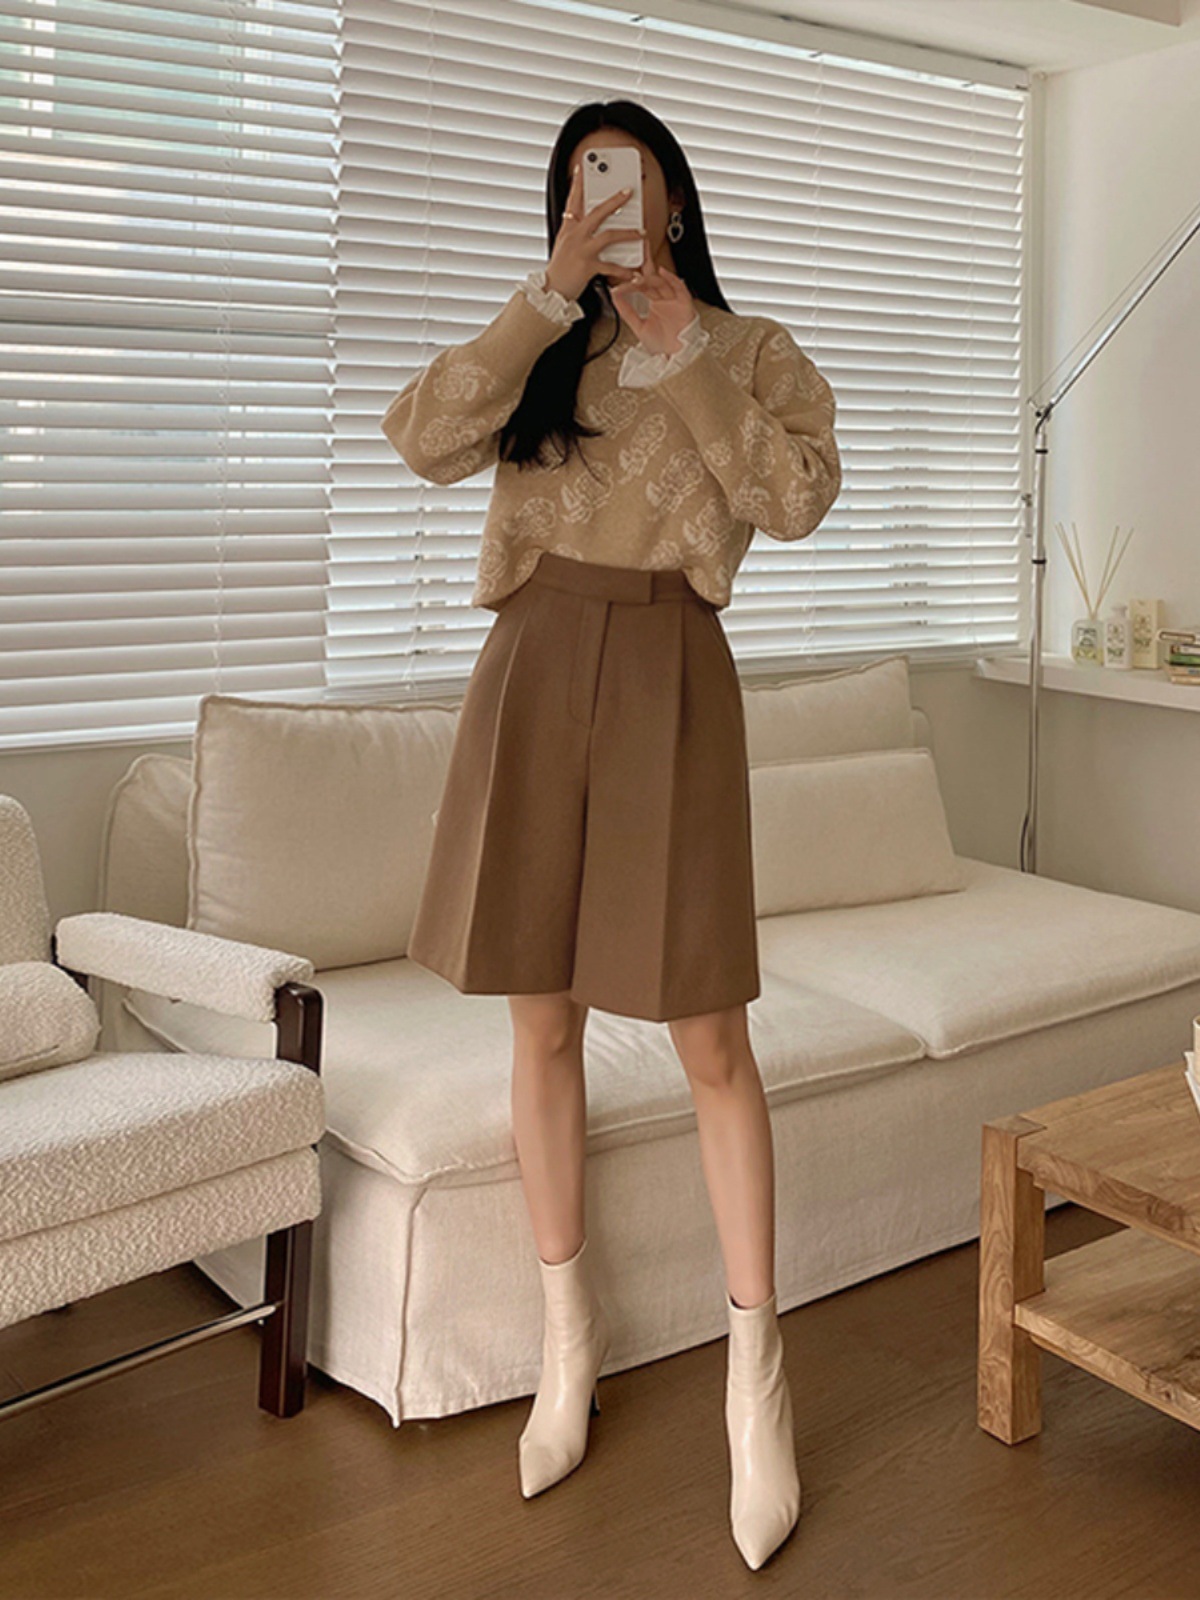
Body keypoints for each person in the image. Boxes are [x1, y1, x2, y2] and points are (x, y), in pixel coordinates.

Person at [381, 97, 840, 1572]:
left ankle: (755, 1386)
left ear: (674, 203)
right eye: (582, 193)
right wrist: (547, 294)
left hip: (671, 671)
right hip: (532, 664)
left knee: (712, 1039)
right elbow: (419, 436)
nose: (605, 211)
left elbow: (795, 498)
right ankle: (566, 1343)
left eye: (625, 187)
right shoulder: (542, 348)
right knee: (542, 1024)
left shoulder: (750, 349)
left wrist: (682, 348)